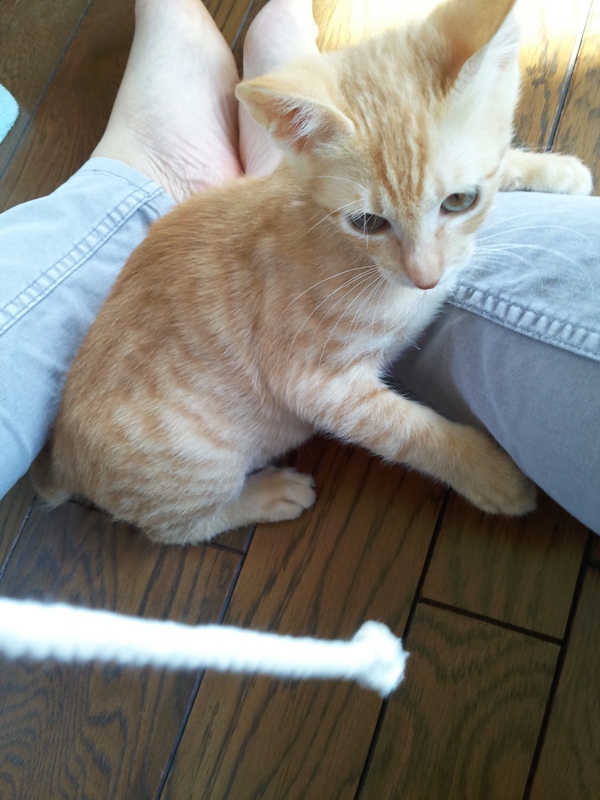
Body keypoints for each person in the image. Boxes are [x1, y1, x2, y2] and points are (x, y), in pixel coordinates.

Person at [0, 0, 598, 533]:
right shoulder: (328, 272)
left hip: (173, 326)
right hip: (149, 440)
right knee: (194, 480)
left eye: (459, 199)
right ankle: (197, 519)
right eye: (370, 222)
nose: (424, 270)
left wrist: (508, 169)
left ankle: (150, 169)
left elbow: (416, 173)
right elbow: (321, 385)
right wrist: (455, 456)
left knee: (345, 193)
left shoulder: (375, 196)